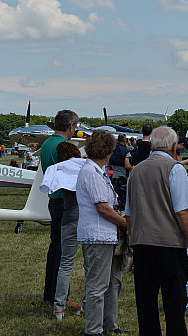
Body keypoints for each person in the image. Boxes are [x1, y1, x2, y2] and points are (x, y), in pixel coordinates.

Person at [125, 125, 188, 336]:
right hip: (169, 245)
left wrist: (133, 245)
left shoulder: (136, 171)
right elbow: (183, 213)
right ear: (173, 146)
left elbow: (129, 215)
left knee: (146, 302)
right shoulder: (174, 168)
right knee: (174, 303)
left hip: (142, 244)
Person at [77, 130, 129, 336]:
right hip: (97, 235)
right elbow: (103, 207)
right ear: (107, 151)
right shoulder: (91, 172)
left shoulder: (97, 170)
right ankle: (94, 329)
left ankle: (109, 323)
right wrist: (126, 224)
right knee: (97, 286)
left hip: (107, 235)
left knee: (113, 282)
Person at [40, 142, 87, 321]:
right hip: (85, 218)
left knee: (65, 264)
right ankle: (86, 303)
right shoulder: (85, 167)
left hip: (68, 219)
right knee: (89, 265)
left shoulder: (58, 170)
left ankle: (59, 307)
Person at [40, 109, 79, 306]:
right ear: (70, 126)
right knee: (64, 252)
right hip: (64, 201)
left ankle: (51, 293)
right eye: (75, 127)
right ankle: (62, 295)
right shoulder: (63, 146)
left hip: (53, 199)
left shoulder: (46, 144)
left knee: (55, 248)